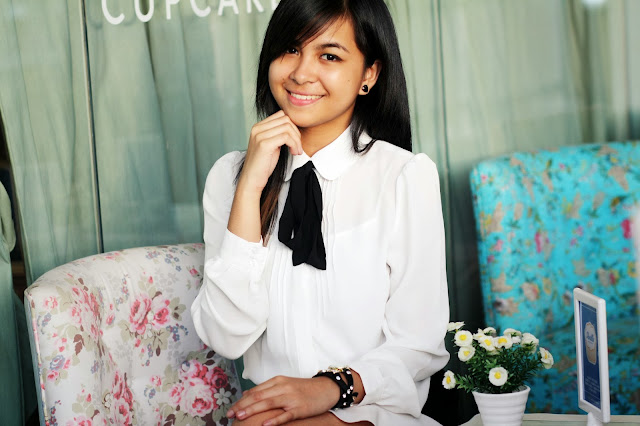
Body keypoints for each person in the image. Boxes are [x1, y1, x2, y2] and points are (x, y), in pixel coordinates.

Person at [191, 0, 450, 424]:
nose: (301, 72)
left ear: (369, 74)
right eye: (290, 49)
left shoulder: (403, 176)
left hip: (372, 413)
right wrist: (250, 188)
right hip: (270, 418)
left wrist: (330, 388)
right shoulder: (230, 176)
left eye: (329, 56)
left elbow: (419, 345)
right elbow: (226, 336)